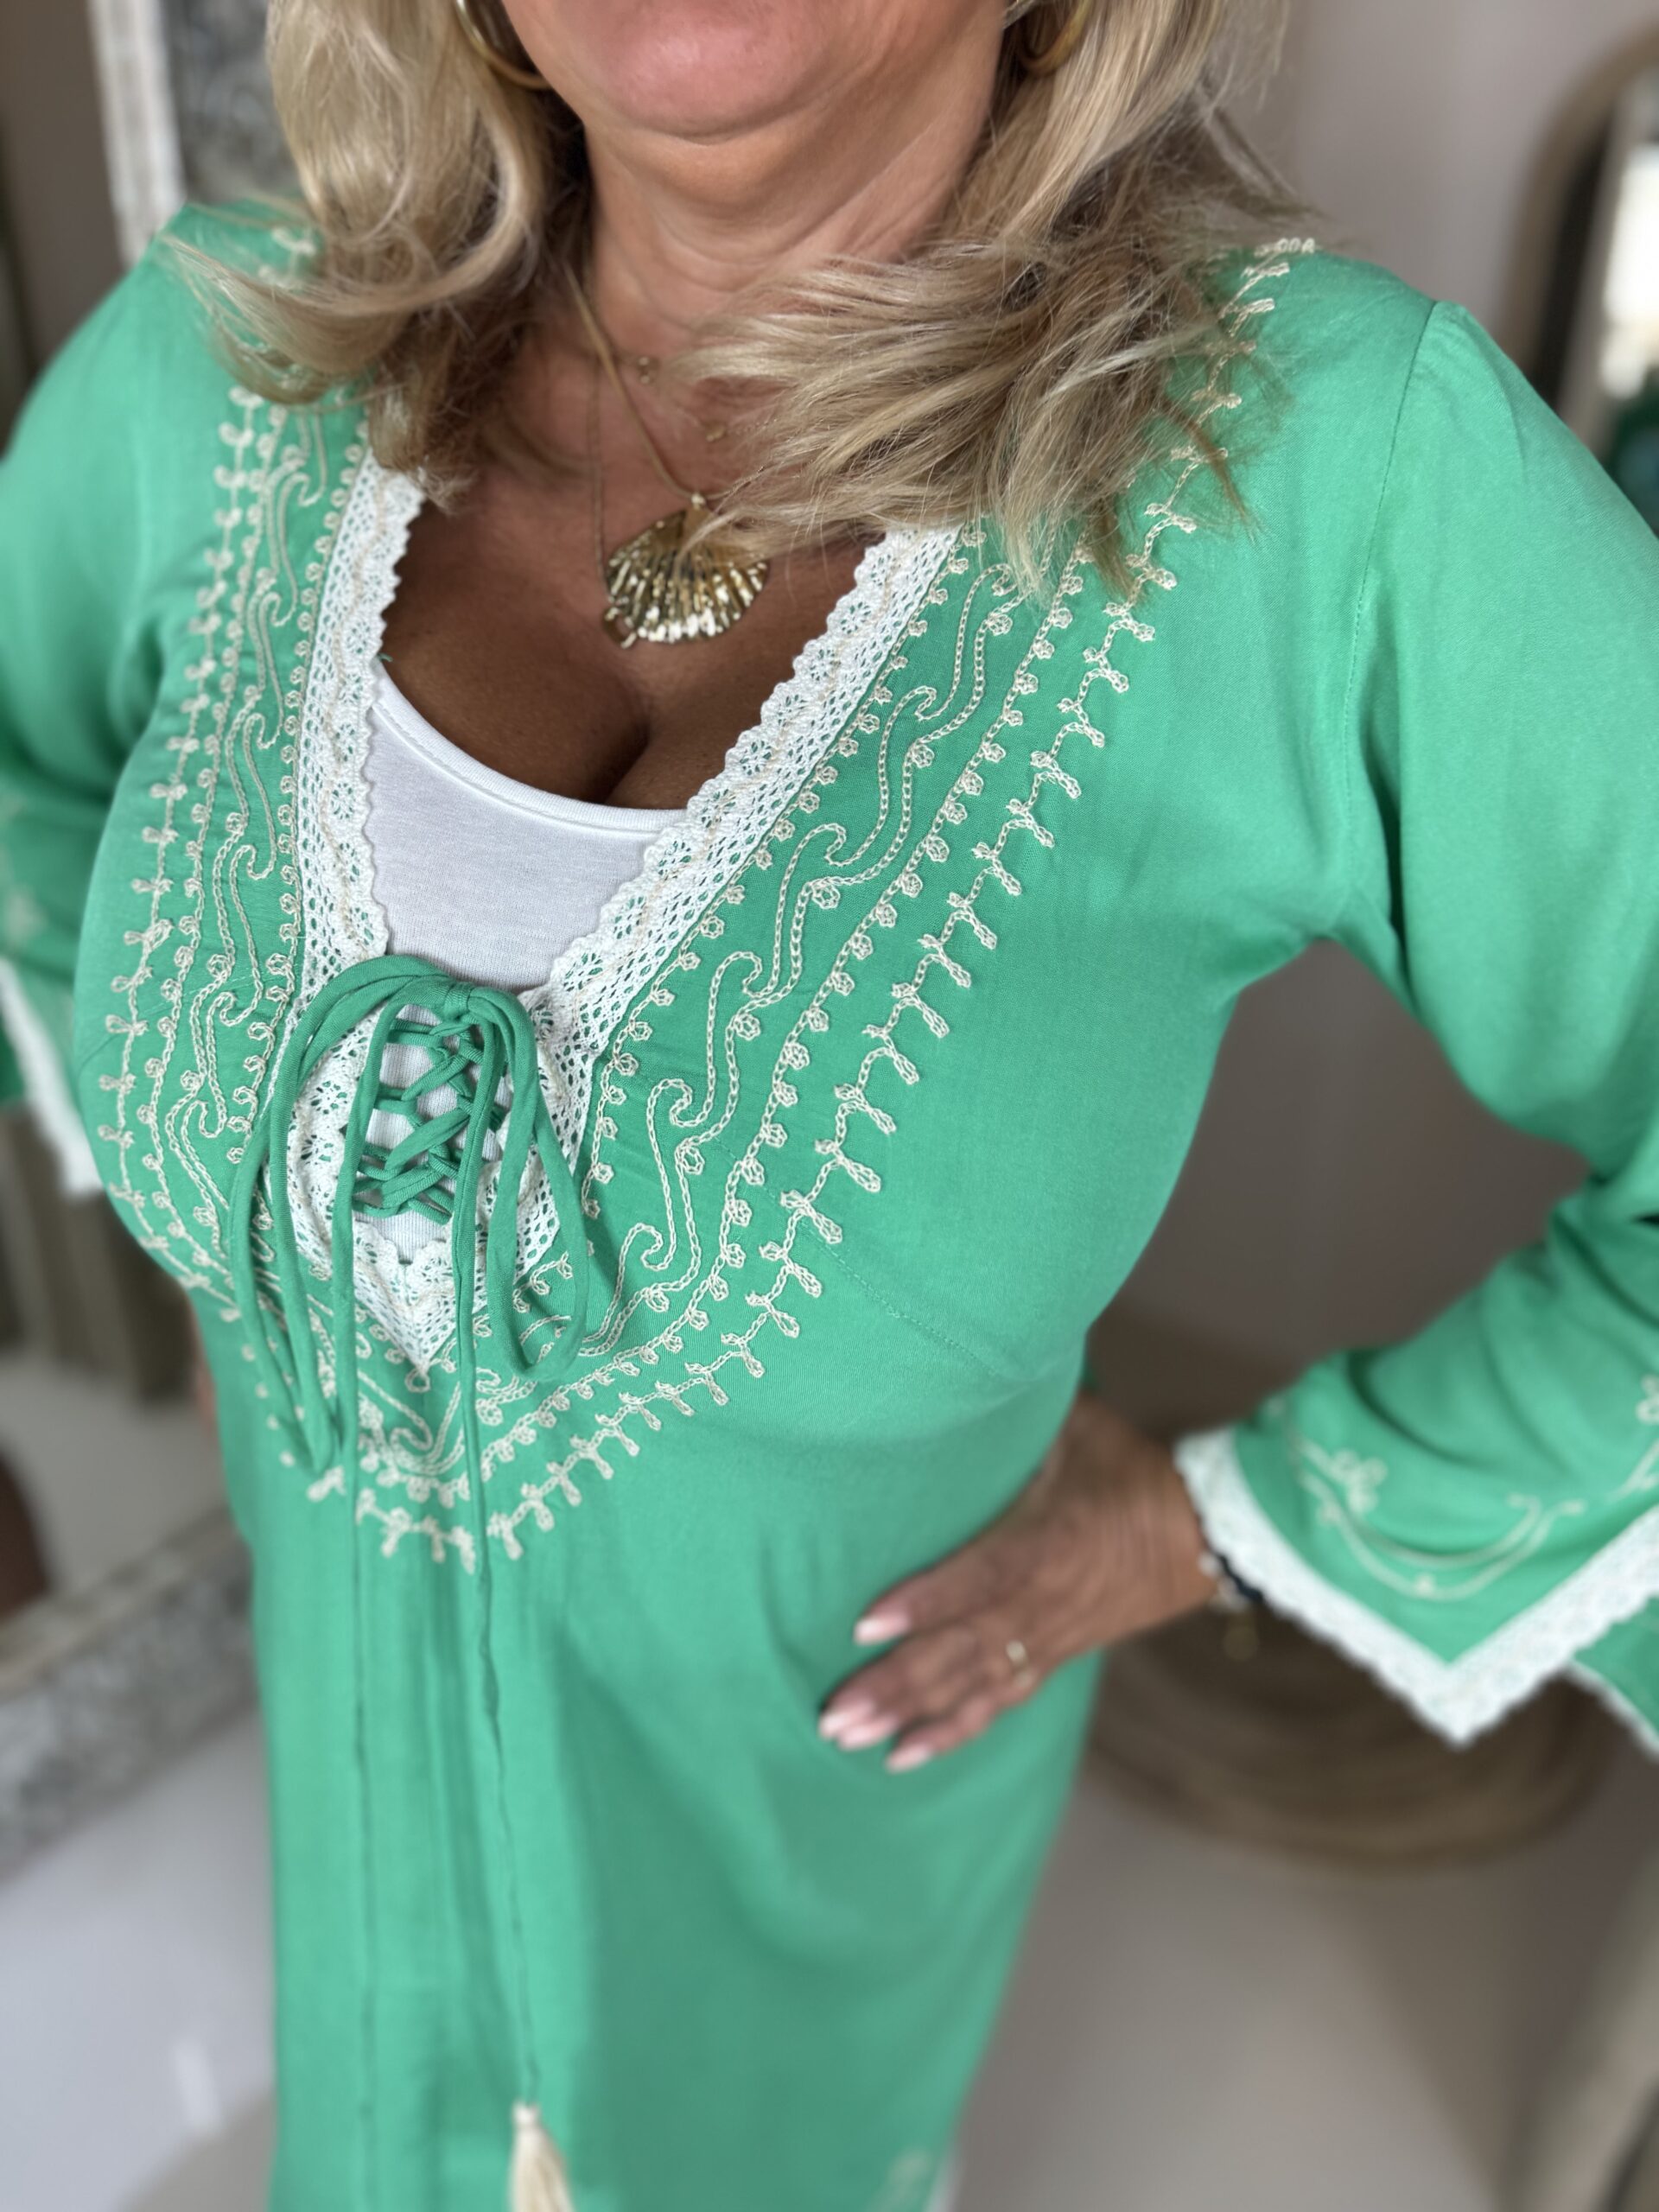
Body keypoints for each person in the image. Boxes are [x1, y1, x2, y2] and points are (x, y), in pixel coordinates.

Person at [2, 2, 1656, 2206]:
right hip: (355, 1851)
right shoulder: (235, 355)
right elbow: (23, 776)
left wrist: (1228, 1521)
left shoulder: (1323, 469)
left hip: (814, 1885)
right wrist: (239, 1241)